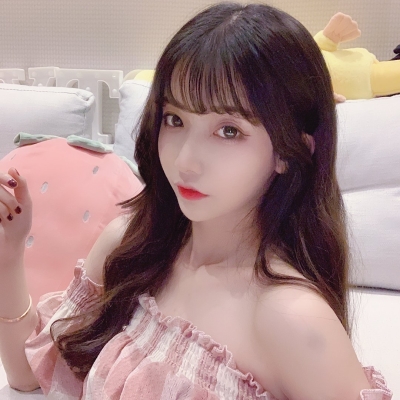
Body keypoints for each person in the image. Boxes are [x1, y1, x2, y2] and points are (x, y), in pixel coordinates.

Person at [0, 3, 392, 400]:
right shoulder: (130, 247)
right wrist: (8, 253)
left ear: (289, 152)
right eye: (175, 119)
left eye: (229, 131)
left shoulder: (291, 319)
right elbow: (27, 374)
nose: (185, 161)